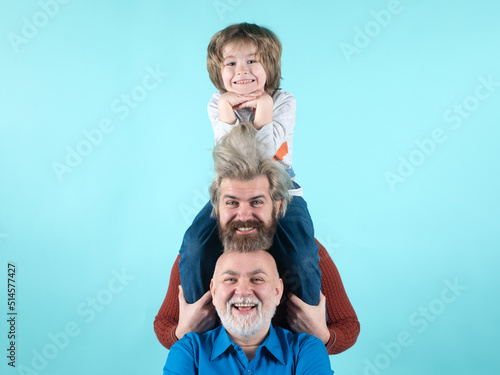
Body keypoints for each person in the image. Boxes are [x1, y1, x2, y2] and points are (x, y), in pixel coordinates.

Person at [155, 123, 360, 355]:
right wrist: (183, 333)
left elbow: (348, 326)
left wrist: (323, 336)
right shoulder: (197, 254)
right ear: (217, 208)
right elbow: (164, 323)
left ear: (277, 206)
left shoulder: (307, 254)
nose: (243, 216)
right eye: (232, 202)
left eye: (256, 202)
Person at [179, 22, 321, 310]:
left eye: (251, 61)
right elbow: (231, 156)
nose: (241, 71)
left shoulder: (283, 101)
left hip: (283, 192)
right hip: (233, 196)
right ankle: (199, 320)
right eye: (231, 63)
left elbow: (267, 154)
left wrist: (264, 107)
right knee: (194, 246)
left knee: (302, 256)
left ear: (269, 65)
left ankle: (307, 325)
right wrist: (226, 110)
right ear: (218, 72)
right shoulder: (216, 103)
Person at [163, 250, 334, 375]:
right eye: (230, 279)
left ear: (277, 291)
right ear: (214, 292)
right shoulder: (188, 351)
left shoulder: (307, 350)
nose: (243, 291)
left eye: (257, 279)